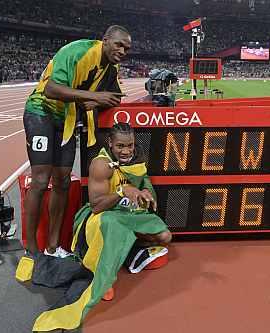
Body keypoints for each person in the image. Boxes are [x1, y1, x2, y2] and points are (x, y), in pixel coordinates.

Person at [30, 122, 172, 331]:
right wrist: (123, 192)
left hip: (127, 214)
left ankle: (129, 254)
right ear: (110, 144)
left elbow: (143, 179)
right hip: (101, 217)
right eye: (121, 146)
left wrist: (146, 192)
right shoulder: (101, 165)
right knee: (112, 224)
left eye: (130, 145)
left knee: (164, 236)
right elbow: (97, 207)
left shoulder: (137, 157)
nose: (126, 151)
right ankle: (104, 275)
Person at [22, 25, 131, 257]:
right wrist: (94, 96)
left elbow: (115, 97)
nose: (122, 51)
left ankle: (53, 247)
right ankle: (30, 248)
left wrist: (97, 102)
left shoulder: (111, 68)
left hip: (68, 121)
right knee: (41, 180)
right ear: (105, 40)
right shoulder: (76, 51)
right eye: (118, 45)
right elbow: (51, 89)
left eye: (127, 48)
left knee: (62, 182)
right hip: (41, 112)